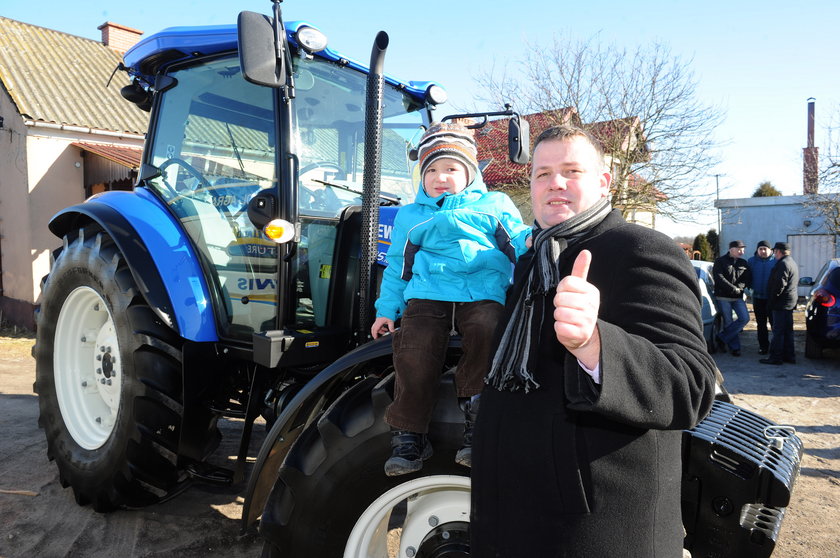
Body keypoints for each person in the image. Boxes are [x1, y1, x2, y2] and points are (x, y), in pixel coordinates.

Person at [470, 125, 716, 557]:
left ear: (603, 183)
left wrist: (594, 344)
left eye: (571, 170)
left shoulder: (641, 249)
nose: (555, 183)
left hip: (593, 531)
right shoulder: (535, 259)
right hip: (515, 517)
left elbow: (689, 387)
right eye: (542, 174)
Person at [370, 121, 531, 476]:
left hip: (481, 291)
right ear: (421, 176)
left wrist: (535, 239)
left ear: (470, 173)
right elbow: (398, 265)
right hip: (428, 294)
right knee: (414, 346)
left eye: (451, 169)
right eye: (431, 170)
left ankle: (477, 422)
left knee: (488, 328)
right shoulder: (412, 216)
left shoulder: (494, 204)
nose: (440, 177)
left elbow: (518, 240)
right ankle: (409, 435)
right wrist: (386, 310)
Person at [760, 242, 799, 365]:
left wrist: (771, 300)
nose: (774, 253)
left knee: (778, 331)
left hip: (781, 303)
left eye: (775, 251)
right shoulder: (791, 262)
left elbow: (779, 285)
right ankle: (789, 356)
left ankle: (776, 357)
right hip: (789, 302)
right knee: (788, 331)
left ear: (778, 251)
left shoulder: (783, 264)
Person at [713, 240, 752, 356]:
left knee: (744, 318)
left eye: (743, 249)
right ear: (731, 249)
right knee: (728, 322)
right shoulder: (720, 261)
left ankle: (722, 337)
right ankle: (735, 348)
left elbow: (747, 279)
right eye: (739, 249)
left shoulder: (743, 263)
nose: (742, 251)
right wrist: (732, 288)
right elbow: (719, 277)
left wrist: (739, 288)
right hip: (723, 297)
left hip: (738, 297)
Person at [747, 240, 776, 354]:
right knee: (761, 324)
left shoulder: (776, 261)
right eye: (760, 249)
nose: (763, 251)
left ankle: (775, 347)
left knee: (774, 323)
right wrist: (748, 288)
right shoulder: (751, 261)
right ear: (757, 250)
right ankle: (763, 346)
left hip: (772, 298)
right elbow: (747, 277)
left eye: (765, 249)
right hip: (758, 298)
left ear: (770, 250)